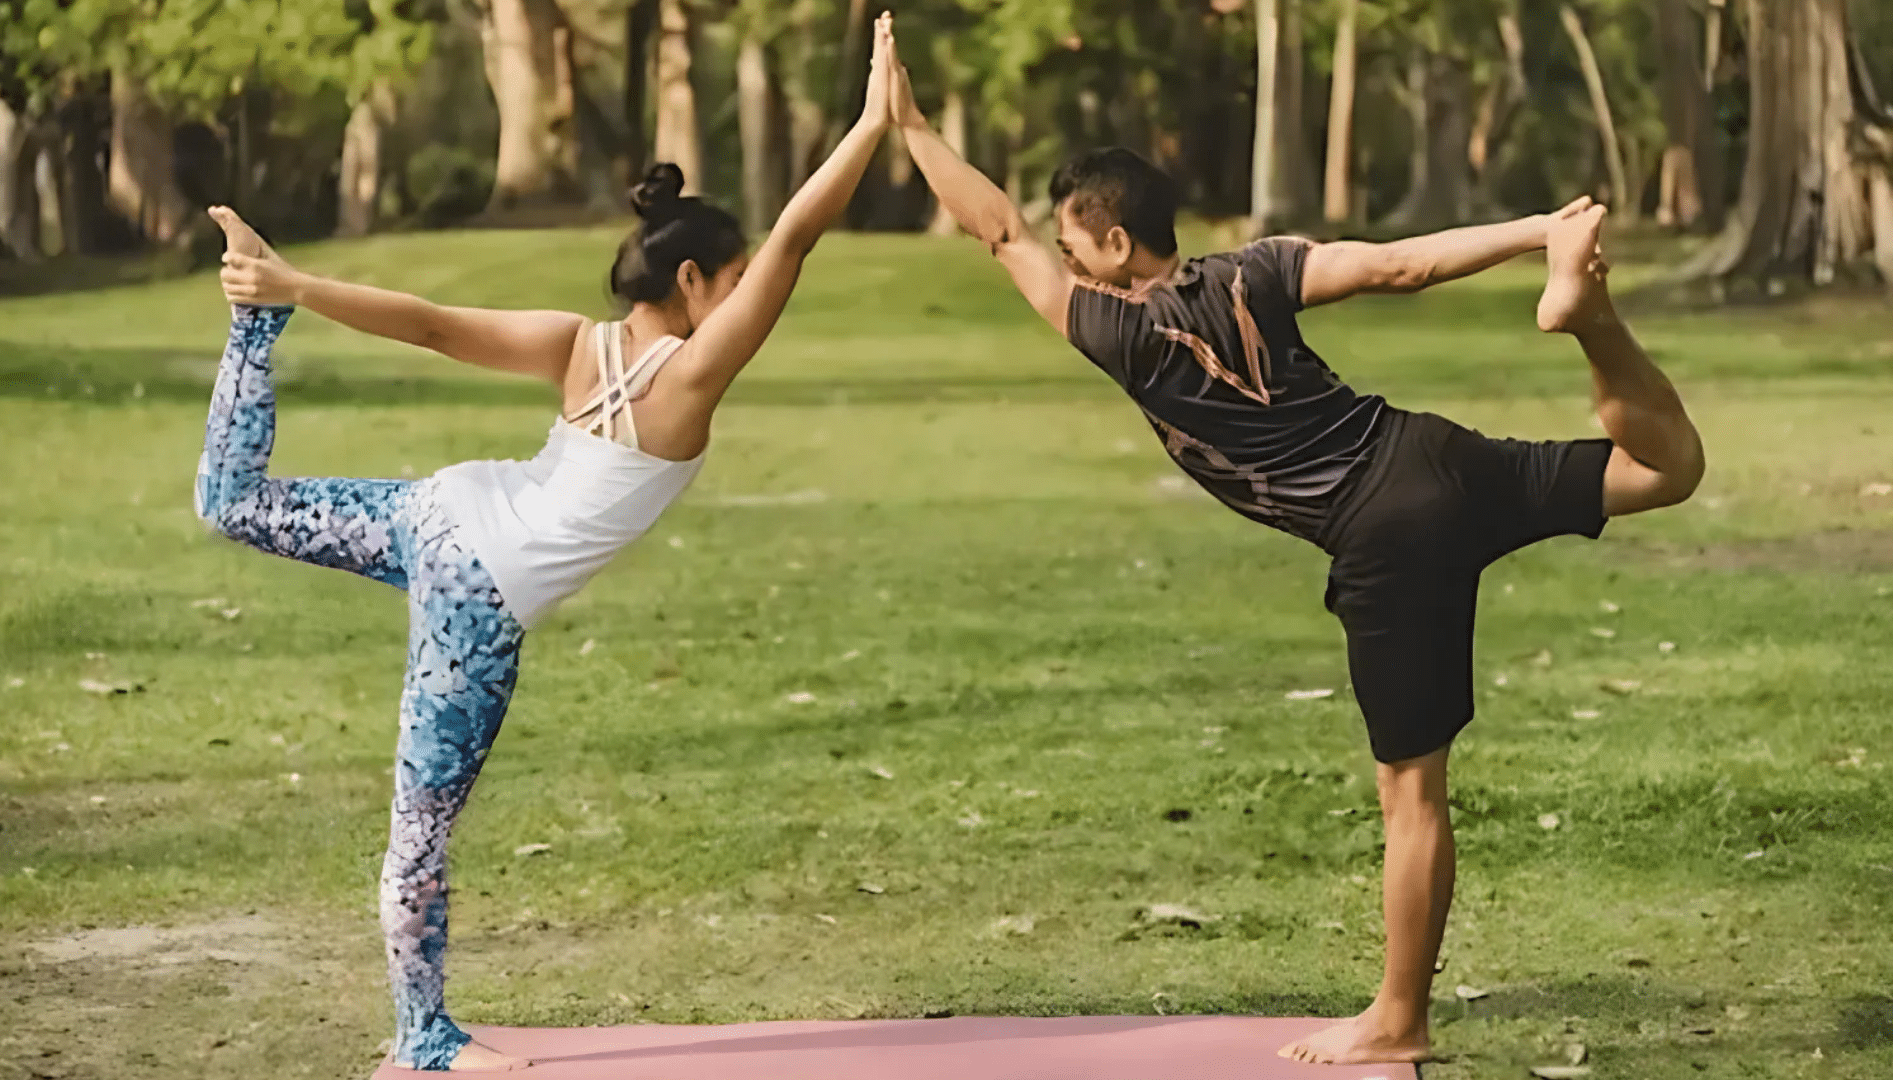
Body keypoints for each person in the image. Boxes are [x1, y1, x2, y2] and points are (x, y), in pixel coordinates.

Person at [881, 38, 1704, 1068]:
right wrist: (1544, 228)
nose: (1063, 253)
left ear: (1114, 241)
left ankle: (1399, 1018)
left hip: (1384, 533)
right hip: (1433, 453)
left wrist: (911, 127)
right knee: (1663, 471)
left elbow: (996, 230)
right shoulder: (1260, 269)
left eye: (1072, 239)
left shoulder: (1121, 334)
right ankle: (1592, 325)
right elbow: (1402, 264)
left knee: (1413, 794)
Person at [196, 16, 899, 1071]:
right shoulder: (692, 380)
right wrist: (874, 121)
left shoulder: (580, 343)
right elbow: (798, 233)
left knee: (232, 503)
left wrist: (292, 290)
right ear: (700, 280)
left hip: (435, 515)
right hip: (476, 603)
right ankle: (425, 1041)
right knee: (417, 833)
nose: (754, 288)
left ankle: (253, 327)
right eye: (738, 276)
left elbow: (429, 322)